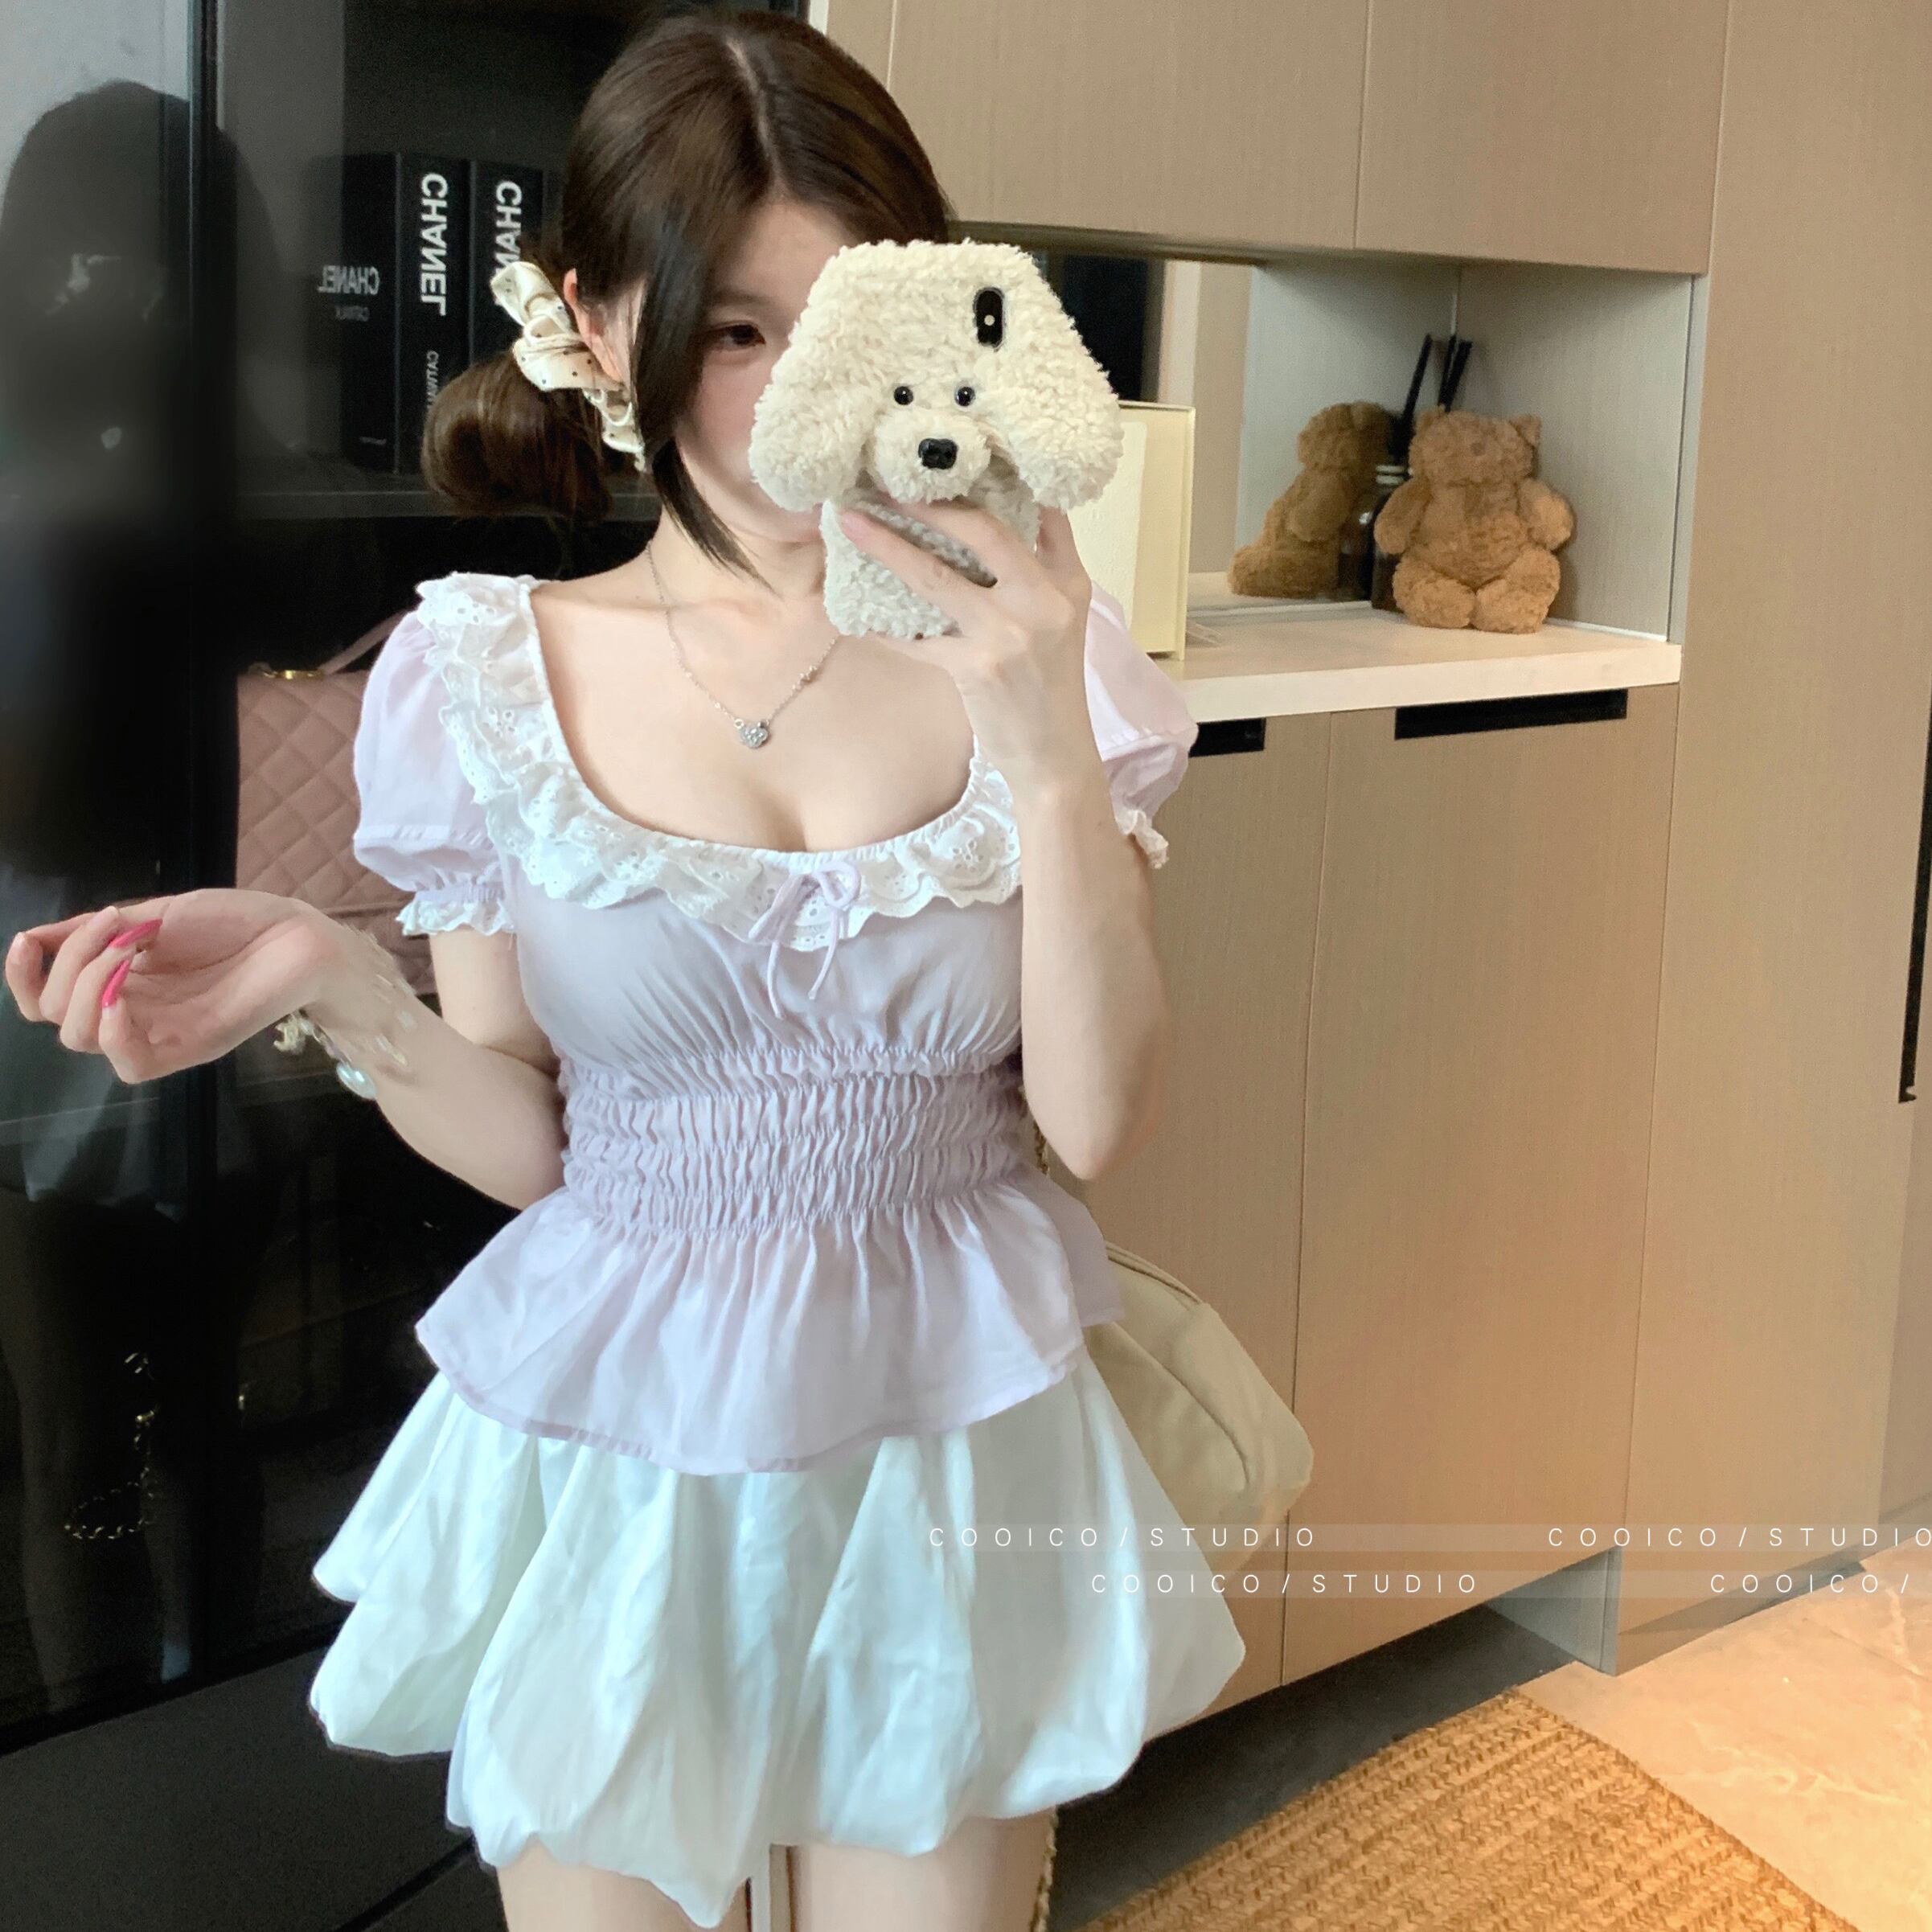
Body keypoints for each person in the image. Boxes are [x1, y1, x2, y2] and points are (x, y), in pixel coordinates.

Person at [3, 11, 1244, 1929]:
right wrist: (333, 974)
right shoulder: (479, 673)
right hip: (617, 1453)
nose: (794, 403)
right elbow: (541, 1149)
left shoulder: (1038, 652)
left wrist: (1047, 747)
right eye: (733, 331)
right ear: (591, 323)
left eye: (841, 329)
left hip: (950, 1439)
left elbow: (1092, 1122)